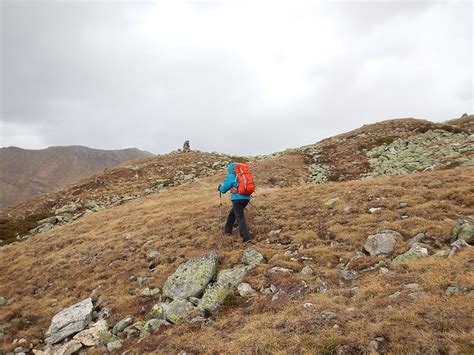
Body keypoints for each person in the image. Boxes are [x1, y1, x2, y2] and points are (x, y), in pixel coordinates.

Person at [218, 162, 252, 242]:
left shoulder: (232, 176)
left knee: (240, 217)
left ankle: (246, 238)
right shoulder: (242, 175)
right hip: (246, 198)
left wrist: (220, 188)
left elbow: (224, 189)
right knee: (232, 214)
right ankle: (227, 231)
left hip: (237, 199)